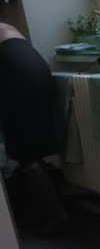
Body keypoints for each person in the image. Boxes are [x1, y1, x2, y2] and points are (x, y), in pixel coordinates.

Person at [0, 17, 69, 236]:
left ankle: (57, 217)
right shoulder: (7, 27)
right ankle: (39, 212)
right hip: (37, 74)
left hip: (20, 82)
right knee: (30, 151)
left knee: (27, 154)